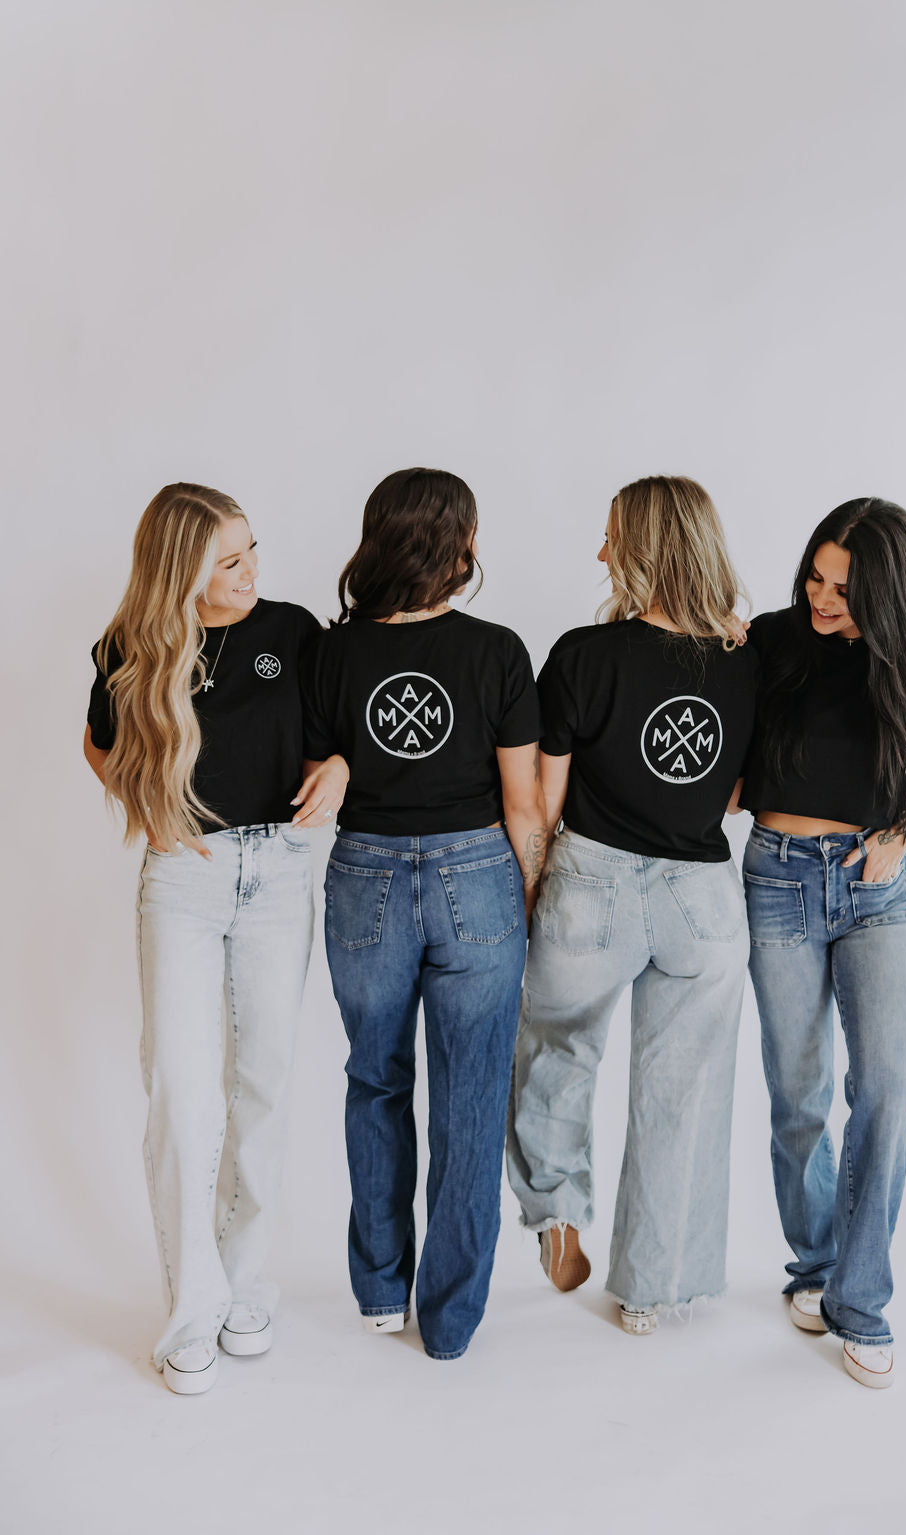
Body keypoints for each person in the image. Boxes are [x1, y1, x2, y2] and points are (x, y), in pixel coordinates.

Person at [84, 482, 347, 1394]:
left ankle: (244, 1282)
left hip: (280, 874)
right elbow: (99, 740)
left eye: (250, 551)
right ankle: (190, 1309)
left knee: (264, 1082)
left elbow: (332, 736)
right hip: (185, 882)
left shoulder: (292, 630)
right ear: (181, 570)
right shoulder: (135, 648)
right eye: (228, 560)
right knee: (181, 1095)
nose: (250, 571)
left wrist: (342, 769)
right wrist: (140, 802)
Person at [302, 467, 547, 1361]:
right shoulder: (499, 650)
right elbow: (525, 806)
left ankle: (377, 1288)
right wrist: (527, 897)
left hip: (363, 876)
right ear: (460, 546)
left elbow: (318, 769)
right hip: (477, 873)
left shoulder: (330, 653)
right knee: (472, 1097)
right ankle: (450, 1318)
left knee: (376, 1077)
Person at [506, 475, 758, 1334]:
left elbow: (542, 801)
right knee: (682, 1090)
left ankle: (557, 1212)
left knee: (553, 1046)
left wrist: (535, 891)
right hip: (702, 899)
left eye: (612, 536)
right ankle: (653, 1290)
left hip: (594, 883)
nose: (601, 551)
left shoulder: (582, 654)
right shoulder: (746, 658)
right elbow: (732, 796)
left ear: (647, 548)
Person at [737, 497, 906, 1389]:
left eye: (846, 589)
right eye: (817, 579)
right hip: (779, 877)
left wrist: (902, 832)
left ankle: (861, 1299)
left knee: (889, 1090)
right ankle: (816, 1268)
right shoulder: (770, 638)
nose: (824, 599)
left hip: (876, 886)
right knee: (799, 1093)